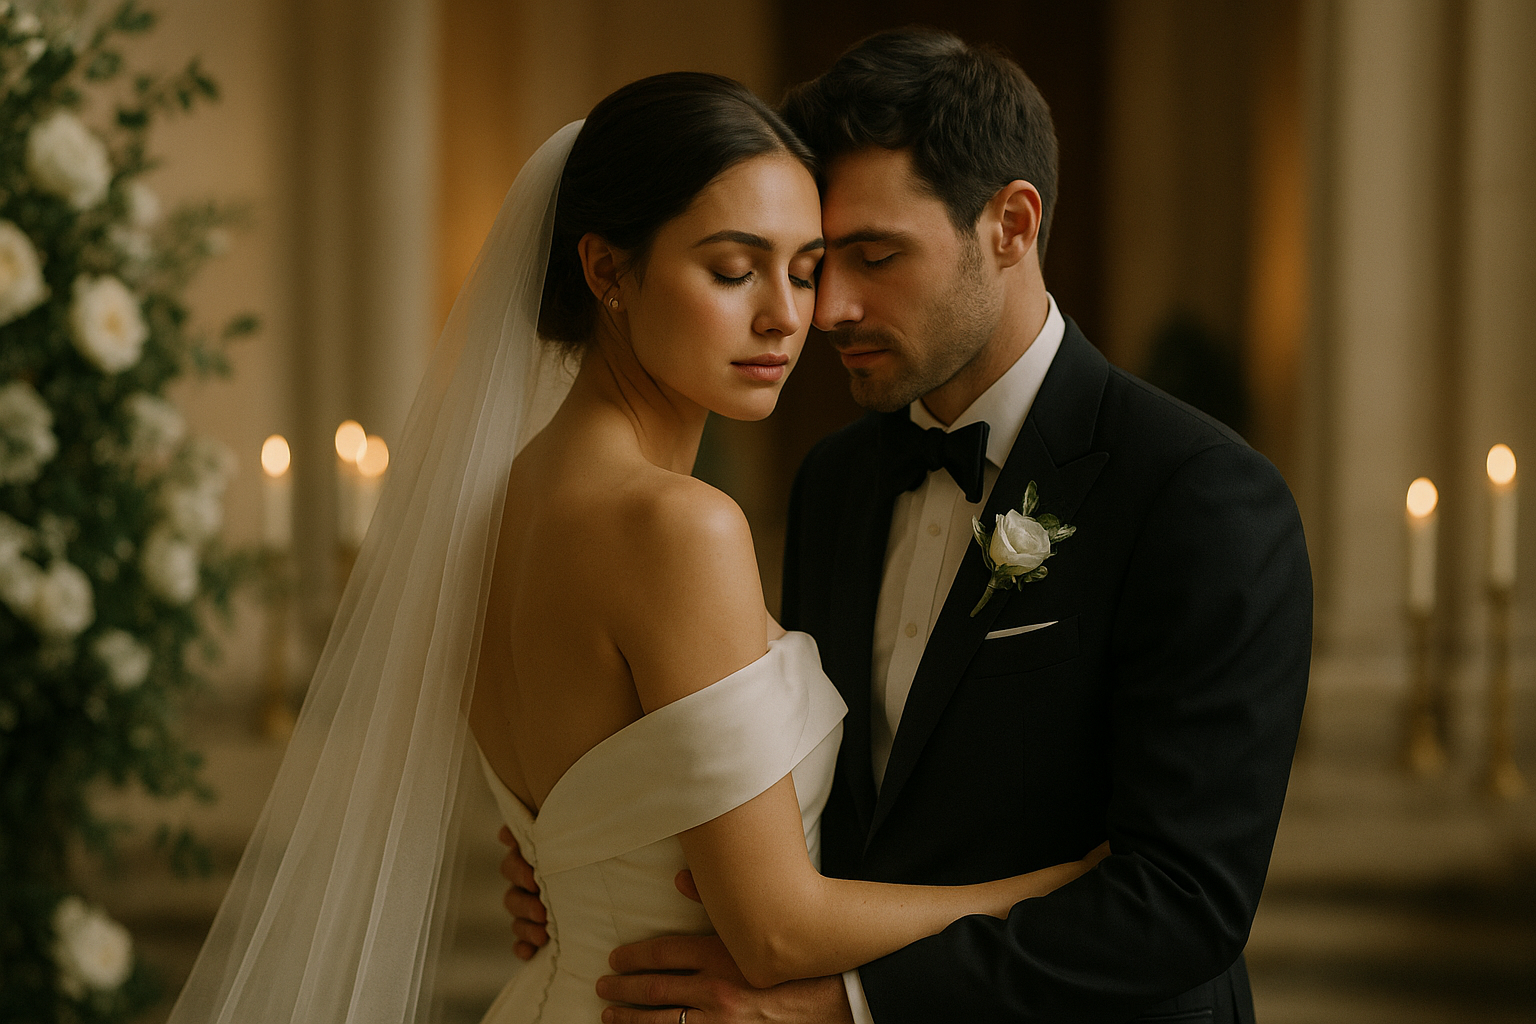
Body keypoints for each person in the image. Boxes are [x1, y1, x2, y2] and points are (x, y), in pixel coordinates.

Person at [166, 72, 1102, 1024]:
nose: (789, 315)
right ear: (608, 272)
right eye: (735, 270)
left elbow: (589, 823)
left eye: (806, 267)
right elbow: (777, 932)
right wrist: (1059, 890)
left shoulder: (500, 506)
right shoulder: (678, 527)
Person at [507, 29, 1313, 1024]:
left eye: (872, 256)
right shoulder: (834, 482)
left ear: (1011, 225)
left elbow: (1183, 905)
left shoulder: (1200, 497)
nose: (826, 310)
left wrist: (846, 1004)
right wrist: (605, 857)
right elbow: (796, 809)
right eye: (818, 263)